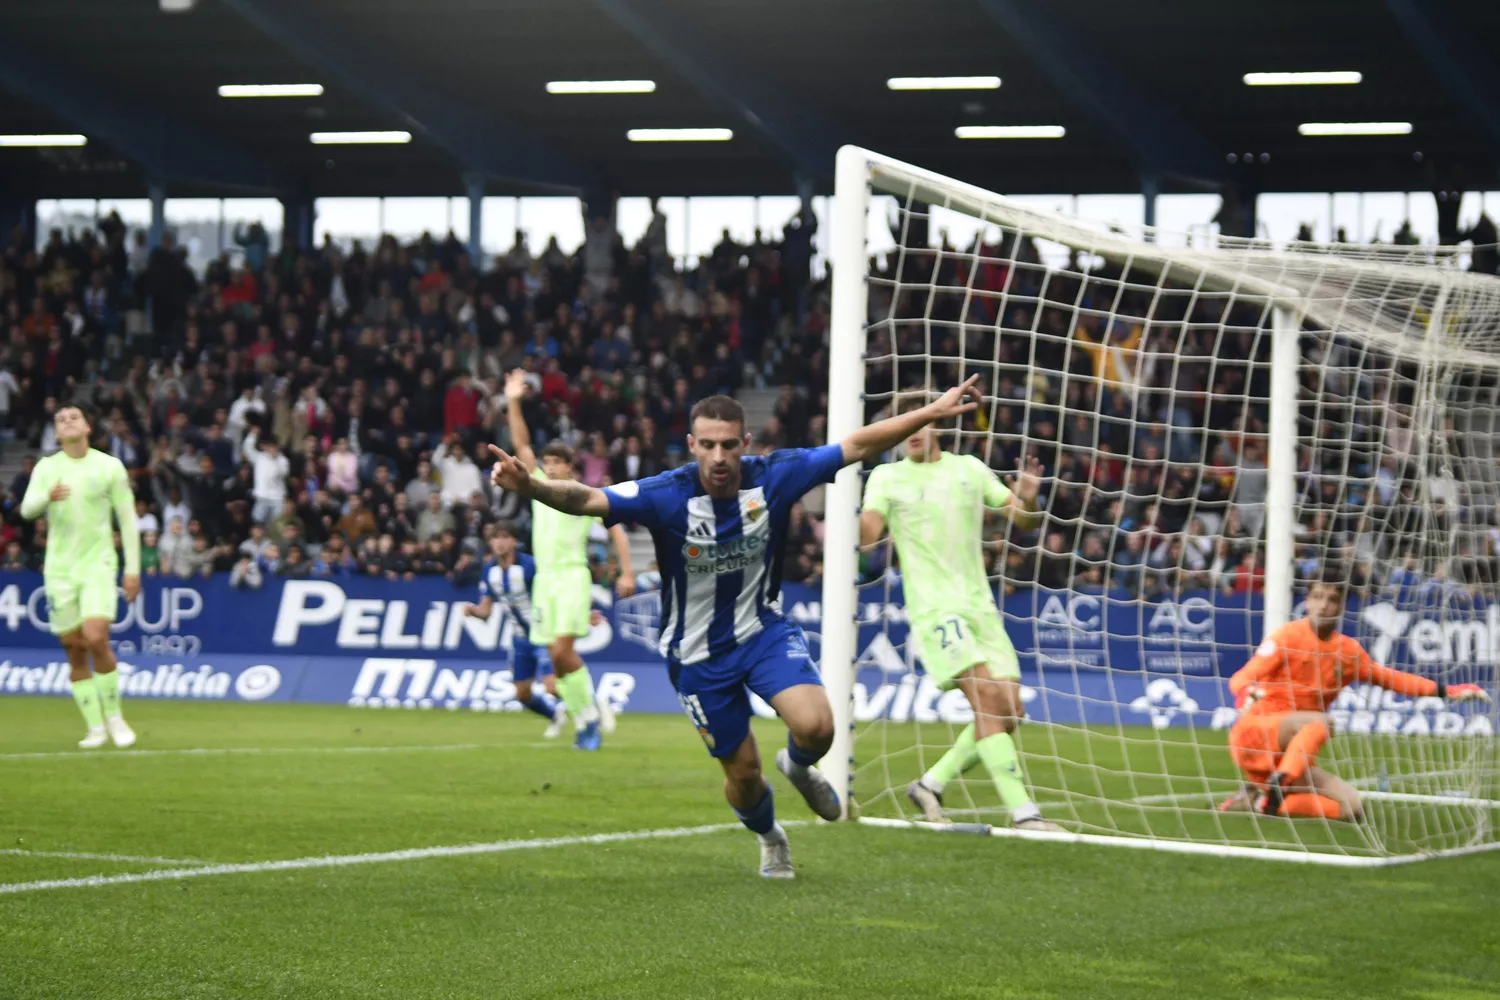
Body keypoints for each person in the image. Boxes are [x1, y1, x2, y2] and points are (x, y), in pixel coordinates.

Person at [488, 376, 983, 878]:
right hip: (697, 655)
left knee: (818, 727)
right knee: (744, 777)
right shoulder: (666, 493)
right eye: (708, 445)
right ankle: (771, 837)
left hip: (761, 631)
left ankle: (796, 764)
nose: (719, 456)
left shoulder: (775, 475)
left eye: (729, 444)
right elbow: (588, 499)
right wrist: (531, 486)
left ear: (745, 444)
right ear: (692, 446)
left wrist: (928, 414)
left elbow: (855, 444)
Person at [859, 403, 1062, 832]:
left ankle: (930, 785)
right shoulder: (887, 477)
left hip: (980, 607)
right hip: (936, 609)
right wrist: (855, 525)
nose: (913, 431)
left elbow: (1023, 520)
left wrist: (1028, 495)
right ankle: (1026, 815)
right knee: (988, 701)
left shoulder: (969, 469)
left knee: (1009, 715)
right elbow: (869, 533)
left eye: (921, 421)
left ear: (938, 425)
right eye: (905, 425)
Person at [1221, 574, 1489, 819]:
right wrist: (1245, 693)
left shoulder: (1348, 651)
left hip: (1292, 753)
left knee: (1352, 807)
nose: (1323, 606)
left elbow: (1390, 679)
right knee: (1322, 722)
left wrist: (1446, 691)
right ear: (1308, 601)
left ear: (1342, 607)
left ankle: (1259, 801)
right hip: (1257, 732)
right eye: (1317, 597)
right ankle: (1280, 785)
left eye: (1332, 600)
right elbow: (1242, 677)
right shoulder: (1287, 636)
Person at [502, 370, 635, 750]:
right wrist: (512, 400)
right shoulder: (538, 486)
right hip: (544, 580)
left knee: (562, 652)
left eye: (556, 462)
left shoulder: (582, 495)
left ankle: (588, 719)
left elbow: (617, 529)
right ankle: (588, 718)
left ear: (570, 467)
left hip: (573, 577)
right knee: (557, 662)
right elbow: (520, 443)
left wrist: (626, 570)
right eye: (546, 462)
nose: (549, 467)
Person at [19, 404, 141, 748]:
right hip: (59, 569)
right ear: (56, 434)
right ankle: (95, 727)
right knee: (72, 646)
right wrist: (47, 496)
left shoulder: (109, 467)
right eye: (60, 420)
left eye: (73, 417)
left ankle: (115, 717)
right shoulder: (47, 468)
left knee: (96, 636)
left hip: (98, 564)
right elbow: (27, 509)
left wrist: (132, 570)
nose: (67, 421)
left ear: (88, 426)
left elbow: (128, 520)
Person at [464, 523, 570, 738]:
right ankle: (555, 716)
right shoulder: (489, 570)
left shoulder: (530, 566)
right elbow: (486, 610)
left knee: (551, 686)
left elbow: (554, 593)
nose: (499, 542)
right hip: (520, 639)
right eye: (495, 538)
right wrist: (474, 611)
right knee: (522, 694)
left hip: (543, 634)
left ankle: (590, 707)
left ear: (515, 541)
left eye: (504, 537)